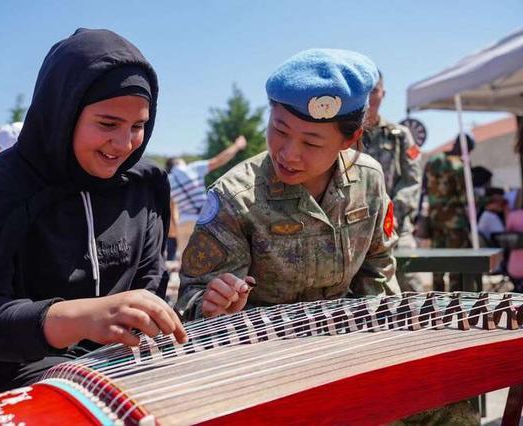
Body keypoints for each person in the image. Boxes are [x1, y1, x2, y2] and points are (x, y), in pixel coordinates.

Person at [176, 48, 478, 426]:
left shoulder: (368, 181)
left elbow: (378, 272)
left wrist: (388, 349)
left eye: (312, 143)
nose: (289, 153)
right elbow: (191, 299)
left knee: (451, 407)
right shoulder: (235, 197)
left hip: (348, 351)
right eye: (279, 129)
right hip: (263, 367)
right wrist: (213, 305)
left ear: (349, 140)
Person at [0, 29, 187, 407]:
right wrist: (79, 318)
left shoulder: (143, 186)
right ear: (62, 111)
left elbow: (149, 289)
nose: (124, 144)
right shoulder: (4, 186)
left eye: (138, 126)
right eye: (107, 124)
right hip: (18, 384)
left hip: (121, 378)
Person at [362, 73, 423, 292]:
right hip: (357, 228)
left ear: (383, 94)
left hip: (395, 228)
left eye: (374, 91)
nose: (370, 98)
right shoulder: (346, 135)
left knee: (409, 282)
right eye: (365, 91)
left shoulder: (400, 135)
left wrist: (391, 216)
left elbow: (412, 181)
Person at [166, 135, 247, 256]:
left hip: (184, 223)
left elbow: (171, 208)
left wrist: (174, 227)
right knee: (210, 259)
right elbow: (219, 160)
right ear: (179, 162)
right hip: (204, 219)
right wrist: (237, 146)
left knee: (187, 263)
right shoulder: (193, 168)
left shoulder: (168, 180)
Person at [423, 134, 474, 292]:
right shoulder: (459, 166)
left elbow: (424, 188)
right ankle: (453, 303)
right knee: (455, 262)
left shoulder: (432, 161)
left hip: (435, 220)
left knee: (437, 261)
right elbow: (465, 196)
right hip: (455, 222)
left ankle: (436, 299)